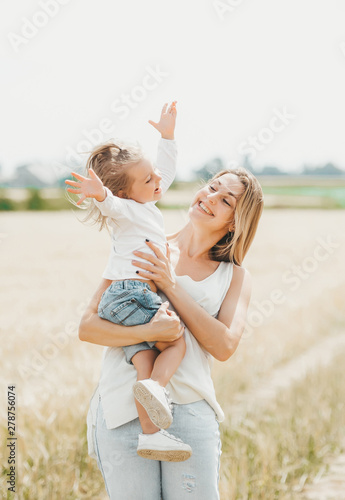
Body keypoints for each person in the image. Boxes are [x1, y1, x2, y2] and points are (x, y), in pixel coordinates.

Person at [80, 158, 264, 499]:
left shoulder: (235, 276)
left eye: (226, 201)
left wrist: (170, 284)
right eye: (212, 188)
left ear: (236, 224)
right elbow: (88, 327)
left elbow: (224, 346)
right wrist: (150, 332)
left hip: (189, 409)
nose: (210, 198)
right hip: (122, 406)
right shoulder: (142, 242)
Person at [66, 102, 192, 462]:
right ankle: (155, 388)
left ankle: (151, 436)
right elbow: (112, 205)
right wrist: (101, 194)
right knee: (176, 340)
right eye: (148, 180)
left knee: (144, 358)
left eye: (154, 177)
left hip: (119, 300)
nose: (158, 183)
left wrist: (167, 138)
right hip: (132, 293)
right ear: (123, 193)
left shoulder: (146, 199)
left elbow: (163, 171)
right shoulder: (126, 210)